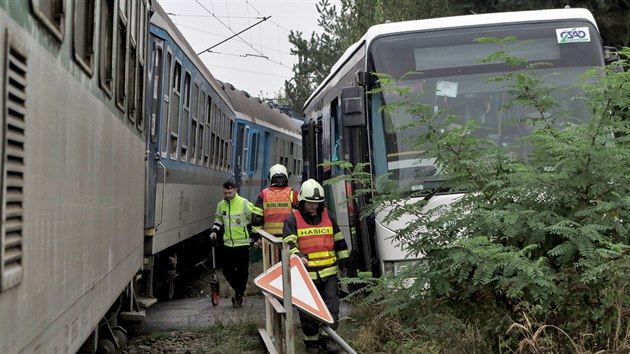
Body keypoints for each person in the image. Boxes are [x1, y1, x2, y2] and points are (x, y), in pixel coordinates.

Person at [282, 179, 350, 353]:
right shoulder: (292, 220)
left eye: (317, 203)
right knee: (307, 313)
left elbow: (339, 242)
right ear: (303, 201)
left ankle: (328, 340)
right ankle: (311, 343)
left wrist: (344, 263)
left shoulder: (328, 217)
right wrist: (298, 255)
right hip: (306, 277)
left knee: (331, 308)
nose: (313, 206)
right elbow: (289, 244)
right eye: (310, 203)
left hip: (329, 274)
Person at [209, 179, 258, 308]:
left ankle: (239, 295)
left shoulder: (244, 204)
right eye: (225, 193)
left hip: (242, 245)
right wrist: (214, 230)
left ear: (235, 190)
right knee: (226, 270)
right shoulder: (221, 205)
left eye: (230, 192)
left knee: (242, 272)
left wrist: (256, 238)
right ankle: (239, 289)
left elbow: (254, 221)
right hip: (228, 244)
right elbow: (218, 220)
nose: (228, 195)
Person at [252, 164, 298, 240]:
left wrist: (256, 237)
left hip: (269, 240)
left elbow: (256, 219)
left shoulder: (263, 194)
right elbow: (298, 216)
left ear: (270, 177)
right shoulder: (292, 193)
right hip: (288, 239)